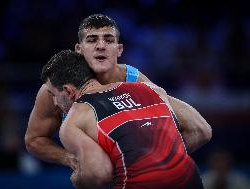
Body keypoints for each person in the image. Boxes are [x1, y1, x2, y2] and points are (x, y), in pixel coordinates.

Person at [25, 14, 212, 170]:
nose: (101, 45)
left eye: (109, 39)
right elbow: (34, 139)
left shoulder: (135, 80)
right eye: (92, 40)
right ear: (78, 50)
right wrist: (70, 159)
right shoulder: (58, 88)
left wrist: (156, 163)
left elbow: (196, 129)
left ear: (119, 49)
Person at [41, 50, 204, 189]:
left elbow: (100, 174)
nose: (54, 102)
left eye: (53, 95)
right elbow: (201, 130)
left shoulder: (73, 121)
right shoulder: (149, 88)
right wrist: (161, 158)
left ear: (68, 91)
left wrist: (78, 178)